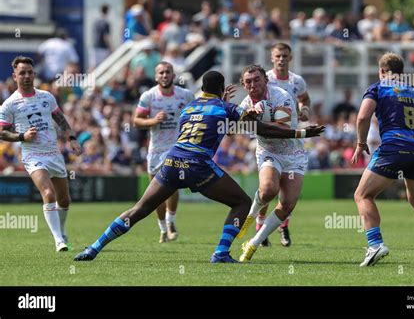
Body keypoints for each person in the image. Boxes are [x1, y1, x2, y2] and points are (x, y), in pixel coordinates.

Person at [73, 71, 324, 263]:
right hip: (198, 165)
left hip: (171, 162)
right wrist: (300, 133)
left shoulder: (189, 108)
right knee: (241, 203)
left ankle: (94, 247)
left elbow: (205, 128)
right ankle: (221, 253)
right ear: (221, 89)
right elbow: (263, 128)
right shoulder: (226, 107)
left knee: (140, 209)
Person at [351, 52, 414, 267]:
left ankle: (375, 245)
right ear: (402, 72)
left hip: (393, 148)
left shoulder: (377, 88)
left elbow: (363, 116)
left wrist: (360, 143)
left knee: (363, 195)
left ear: (382, 71)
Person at [0, 56, 82, 251]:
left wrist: (72, 139)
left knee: (65, 200)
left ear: (34, 74)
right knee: (48, 192)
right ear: (15, 76)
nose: (26, 76)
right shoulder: (9, 104)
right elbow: (1, 132)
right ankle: (58, 241)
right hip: (32, 155)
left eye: (29, 72)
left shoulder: (47, 97)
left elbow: (61, 120)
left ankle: (61, 230)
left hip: (53, 153)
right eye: (22, 73)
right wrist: (22, 136)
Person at [238, 64, 310, 262]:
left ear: (266, 80)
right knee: (268, 190)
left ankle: (252, 243)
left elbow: (282, 126)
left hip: (294, 153)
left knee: (287, 204)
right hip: (269, 152)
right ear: (244, 85)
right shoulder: (244, 105)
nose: (253, 84)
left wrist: (253, 122)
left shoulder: (281, 96)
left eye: (257, 80)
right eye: (248, 81)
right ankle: (251, 216)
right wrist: (234, 113)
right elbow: (230, 130)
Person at [250, 43, 311, 247]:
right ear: (272, 58)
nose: (281, 59)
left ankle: (282, 227)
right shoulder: (263, 79)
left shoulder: (296, 81)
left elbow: (304, 98)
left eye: (285, 55)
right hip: (269, 139)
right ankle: (260, 225)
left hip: (291, 141)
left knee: (288, 193)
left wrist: (305, 110)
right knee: (269, 187)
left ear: (290, 58)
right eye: (278, 56)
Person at [133, 62, 194, 243]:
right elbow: (136, 121)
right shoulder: (149, 96)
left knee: (172, 186)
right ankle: (162, 229)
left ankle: (171, 221)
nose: (165, 75)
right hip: (156, 149)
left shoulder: (186, 95)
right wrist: (153, 121)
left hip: (177, 148)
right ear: (156, 76)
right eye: (161, 73)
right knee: (155, 193)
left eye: (168, 72)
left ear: (173, 75)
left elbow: (197, 114)